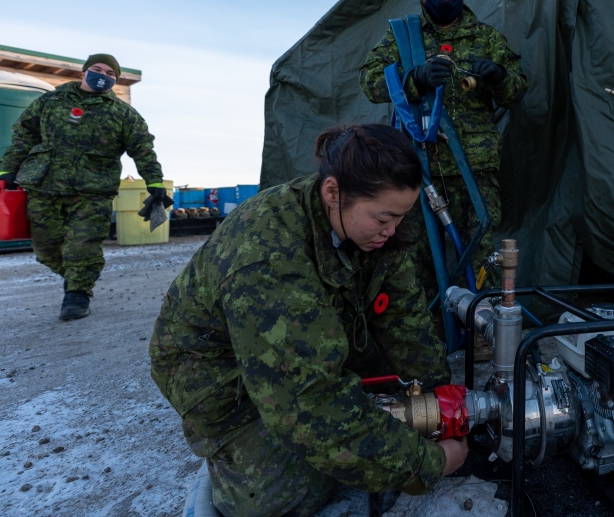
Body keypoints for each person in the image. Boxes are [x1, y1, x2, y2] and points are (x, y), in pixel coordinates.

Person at [149, 123, 468, 517]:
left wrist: (439, 397)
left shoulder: (374, 223)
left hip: (308, 340)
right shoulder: (269, 256)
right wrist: (429, 464)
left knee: (362, 419)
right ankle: (236, 449)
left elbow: (404, 320)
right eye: (384, 218)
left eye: (401, 216)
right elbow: (306, 400)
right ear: (332, 192)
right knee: (278, 493)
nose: (393, 229)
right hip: (219, 372)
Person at [359, 0, 528, 353]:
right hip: (418, 167)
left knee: (481, 250)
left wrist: (500, 77)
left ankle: (481, 332)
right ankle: (426, 334)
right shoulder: (403, 35)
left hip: (475, 165)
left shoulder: (485, 37)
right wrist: (411, 77)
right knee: (416, 253)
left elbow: (518, 90)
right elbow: (370, 82)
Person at [0, 53, 167, 321]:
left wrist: (154, 182)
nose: (104, 76)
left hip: (93, 189)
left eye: (111, 74)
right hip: (44, 185)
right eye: (98, 70)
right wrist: (7, 171)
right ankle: (76, 277)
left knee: (83, 244)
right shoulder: (50, 101)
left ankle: (78, 293)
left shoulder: (123, 114)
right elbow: (24, 136)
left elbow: (143, 150)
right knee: (46, 247)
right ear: (84, 72)